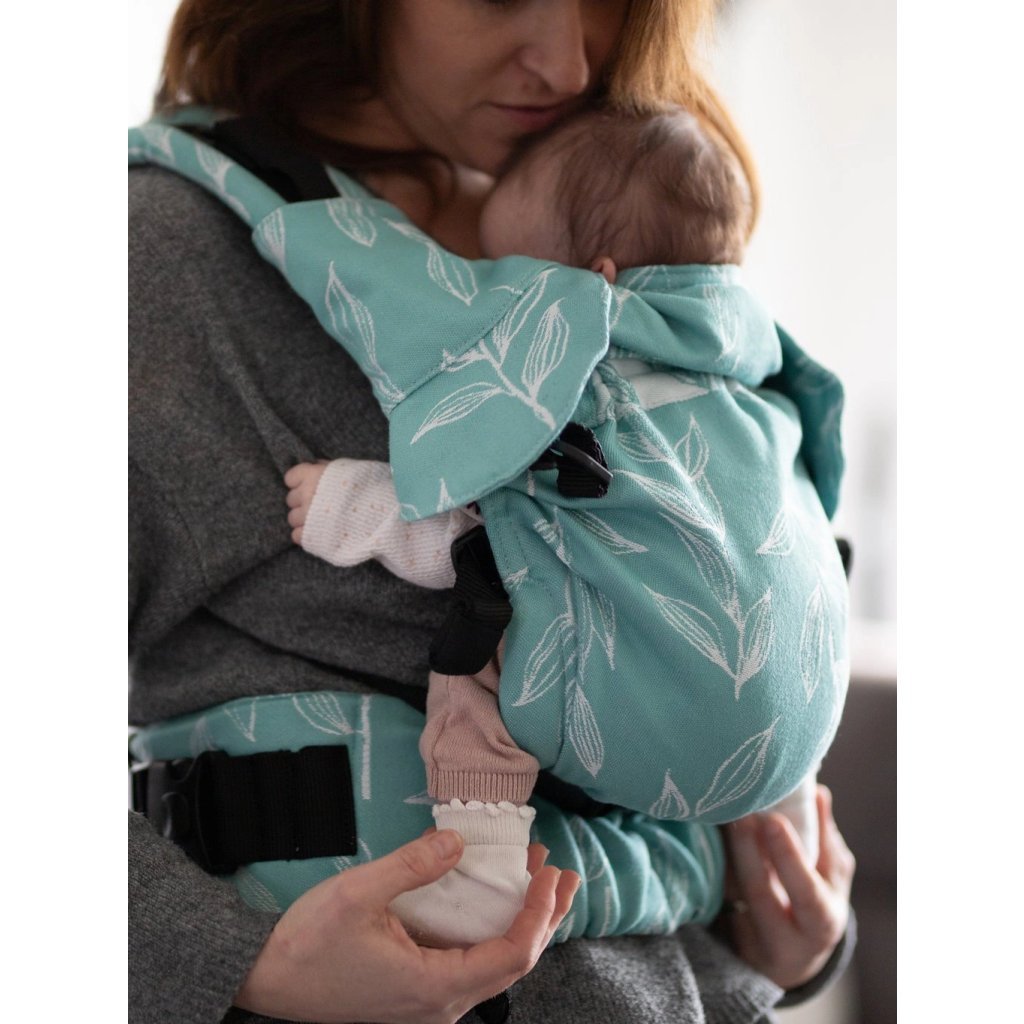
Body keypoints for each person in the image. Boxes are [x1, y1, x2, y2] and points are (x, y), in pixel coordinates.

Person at [129, 2, 856, 1022]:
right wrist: (243, 965)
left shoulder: (629, 209)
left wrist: (790, 937)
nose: (566, 62)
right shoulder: (166, 261)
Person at [283, 104, 832, 949]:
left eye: (511, 268)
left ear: (593, 280)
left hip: (652, 729)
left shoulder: (584, 369)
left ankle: (481, 873)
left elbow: (501, 526)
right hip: (791, 738)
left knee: (478, 647)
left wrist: (358, 505)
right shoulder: (756, 383)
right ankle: (786, 826)